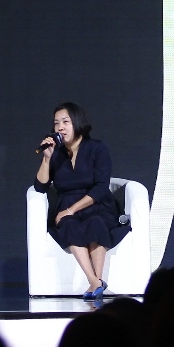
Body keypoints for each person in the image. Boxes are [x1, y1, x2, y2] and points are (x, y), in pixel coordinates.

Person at [34, 102, 128, 300]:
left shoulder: (97, 148)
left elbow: (101, 187)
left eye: (65, 122)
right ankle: (95, 281)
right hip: (67, 205)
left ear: (77, 123)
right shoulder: (56, 154)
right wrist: (46, 158)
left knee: (96, 222)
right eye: (56, 123)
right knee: (69, 225)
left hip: (95, 203)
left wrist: (72, 209)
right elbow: (40, 187)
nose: (60, 127)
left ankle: (96, 280)